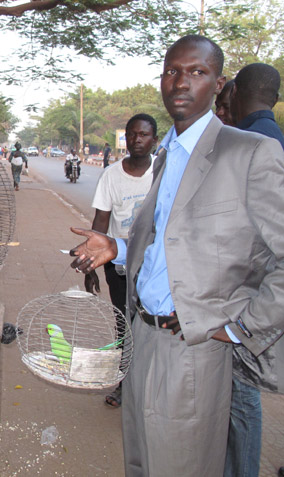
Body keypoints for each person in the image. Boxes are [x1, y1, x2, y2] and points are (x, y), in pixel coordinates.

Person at [68, 35, 284, 476]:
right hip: (142, 335)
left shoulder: (250, 153)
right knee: (140, 462)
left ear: (219, 84)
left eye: (197, 72)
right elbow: (170, 243)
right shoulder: (166, 155)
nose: (181, 82)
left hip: (194, 348)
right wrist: (118, 247)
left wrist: (240, 327)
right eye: (172, 71)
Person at [223, 62, 284, 477]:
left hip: (255, 299)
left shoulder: (252, 144)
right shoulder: (275, 136)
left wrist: (242, 325)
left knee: (242, 400)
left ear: (236, 92)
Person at [84, 113, 158, 409]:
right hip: (119, 268)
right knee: (124, 324)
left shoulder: (163, 172)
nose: (137, 140)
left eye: (144, 135)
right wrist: (91, 266)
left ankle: (151, 387)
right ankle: (124, 384)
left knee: (153, 326)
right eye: (132, 134)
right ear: (125, 138)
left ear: (154, 138)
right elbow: (100, 222)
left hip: (154, 267)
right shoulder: (111, 176)